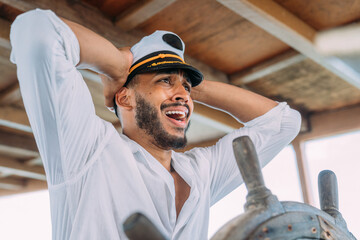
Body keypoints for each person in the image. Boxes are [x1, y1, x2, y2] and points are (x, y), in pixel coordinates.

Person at [10, 8, 301, 240]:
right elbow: (37, 33)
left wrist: (187, 87)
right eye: (164, 80)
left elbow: (284, 123)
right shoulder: (87, 151)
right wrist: (117, 67)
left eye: (187, 88)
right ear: (125, 100)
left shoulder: (201, 173)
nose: (183, 96)